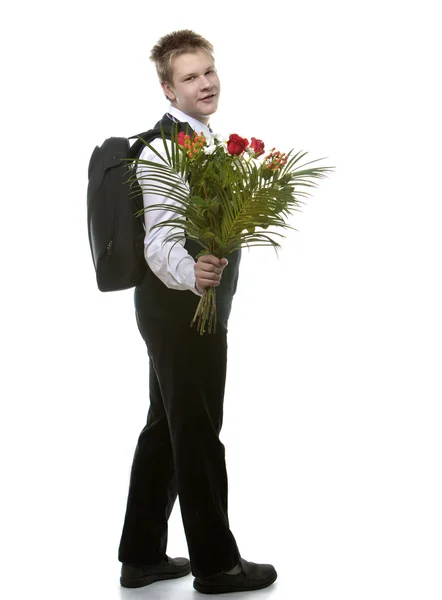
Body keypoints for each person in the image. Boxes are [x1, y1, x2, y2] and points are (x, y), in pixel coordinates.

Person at [117, 29, 277, 594]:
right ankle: (216, 564)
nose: (205, 83)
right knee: (199, 432)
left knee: (167, 427)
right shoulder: (165, 148)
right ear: (167, 88)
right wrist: (196, 274)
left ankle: (140, 557)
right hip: (180, 311)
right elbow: (159, 242)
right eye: (189, 76)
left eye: (208, 71)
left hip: (188, 310)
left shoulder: (206, 139)